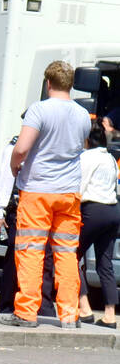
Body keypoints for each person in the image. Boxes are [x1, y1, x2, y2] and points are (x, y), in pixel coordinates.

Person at [3, 60, 91, 329]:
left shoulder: (39, 110)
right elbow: (81, 147)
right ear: (71, 84)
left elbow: (22, 148)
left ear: (48, 83)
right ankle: (68, 314)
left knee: (31, 250)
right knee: (66, 253)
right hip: (69, 194)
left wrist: (14, 165)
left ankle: (27, 312)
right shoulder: (82, 115)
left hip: (39, 190)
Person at [75, 123, 119, 328]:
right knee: (105, 262)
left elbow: (80, 187)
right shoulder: (109, 157)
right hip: (113, 210)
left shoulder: (86, 157)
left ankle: (85, 309)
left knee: (71, 256)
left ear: (86, 140)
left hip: (93, 210)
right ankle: (110, 315)